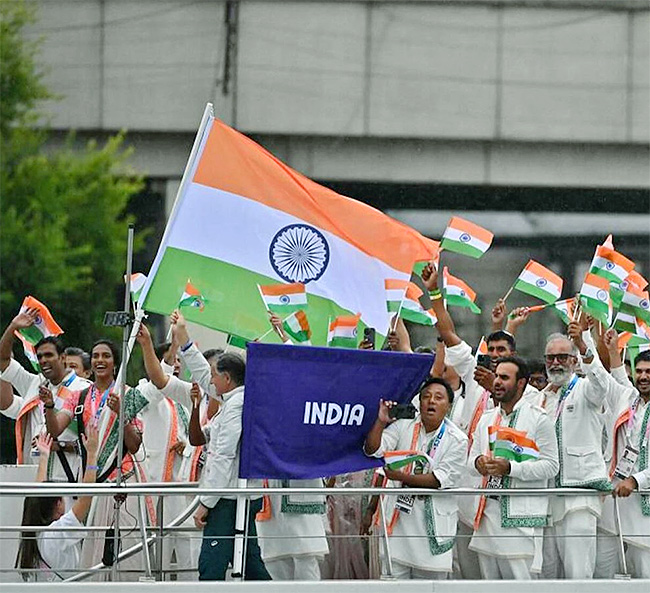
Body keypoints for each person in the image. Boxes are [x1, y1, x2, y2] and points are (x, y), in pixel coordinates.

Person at [364, 377, 468, 579]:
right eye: (426, 397)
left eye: (438, 398)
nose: (431, 401)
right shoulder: (404, 425)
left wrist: (400, 476)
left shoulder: (457, 439)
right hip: (399, 526)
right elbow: (373, 450)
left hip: (432, 531)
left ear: (448, 406)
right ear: (419, 403)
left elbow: (439, 480)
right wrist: (381, 421)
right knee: (391, 583)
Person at [468, 356, 558, 579]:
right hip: (487, 516)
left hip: (522, 520)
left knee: (522, 584)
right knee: (489, 585)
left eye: (504, 378)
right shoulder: (487, 418)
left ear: (521, 384)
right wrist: (478, 462)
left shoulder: (539, 419)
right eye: (497, 376)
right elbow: (470, 462)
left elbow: (551, 466)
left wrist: (511, 468)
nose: (497, 382)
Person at [538, 322, 615, 579]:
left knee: (578, 574)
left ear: (574, 361)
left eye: (562, 357)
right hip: (547, 495)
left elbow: (602, 384)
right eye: (551, 358)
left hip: (579, 493)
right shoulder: (541, 397)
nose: (556, 363)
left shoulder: (585, 389)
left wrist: (584, 344)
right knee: (548, 574)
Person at [192, 351, 270, 581]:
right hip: (238, 496)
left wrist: (206, 502)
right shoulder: (240, 401)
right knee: (250, 564)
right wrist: (185, 344)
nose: (211, 382)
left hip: (228, 500)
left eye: (214, 376)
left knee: (211, 567)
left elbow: (223, 455)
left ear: (226, 378)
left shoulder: (236, 405)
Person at [0, 307, 91, 481]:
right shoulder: (34, 384)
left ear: (63, 357)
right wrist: (13, 327)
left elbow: (94, 441)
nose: (43, 360)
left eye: (49, 355)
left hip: (69, 479)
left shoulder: (84, 389)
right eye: (40, 356)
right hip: (33, 477)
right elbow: (3, 360)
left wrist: (59, 446)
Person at [17, 425, 99, 581]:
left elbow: (38, 494)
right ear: (57, 504)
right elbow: (86, 497)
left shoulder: (34, 532)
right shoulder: (57, 533)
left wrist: (44, 457)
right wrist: (92, 455)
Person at [597, 339, 650, 578]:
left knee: (644, 571)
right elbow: (613, 376)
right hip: (616, 498)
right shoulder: (629, 399)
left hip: (642, 503)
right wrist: (605, 347)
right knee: (604, 570)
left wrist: (636, 481)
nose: (643, 376)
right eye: (639, 371)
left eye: (649, 372)